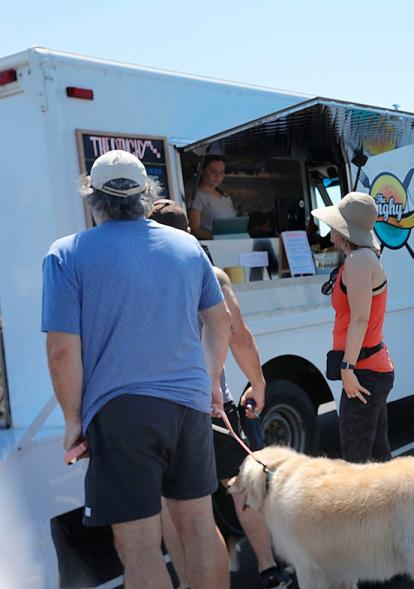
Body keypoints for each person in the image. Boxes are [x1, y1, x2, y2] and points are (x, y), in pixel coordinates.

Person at [42, 150, 232, 589]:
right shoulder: (187, 246)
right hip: (188, 409)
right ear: (146, 196)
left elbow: (62, 353)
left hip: (120, 413)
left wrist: (73, 421)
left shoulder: (67, 254)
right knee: (200, 527)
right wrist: (208, 382)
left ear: (94, 200)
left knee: (141, 546)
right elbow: (219, 323)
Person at [146, 200, 292, 589]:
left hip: (157, 409)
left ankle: (191, 581)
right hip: (210, 404)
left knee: (171, 504)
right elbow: (237, 335)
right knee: (239, 484)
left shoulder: (137, 278)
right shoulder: (209, 274)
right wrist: (258, 382)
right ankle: (268, 569)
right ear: (189, 235)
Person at [312, 192, 395, 462]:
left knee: (357, 461)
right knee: (376, 457)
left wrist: (347, 368)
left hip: (364, 369)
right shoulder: (361, 258)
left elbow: (360, 318)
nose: (330, 231)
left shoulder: (359, 260)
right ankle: (398, 504)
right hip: (370, 367)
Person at [190, 156, 237, 240]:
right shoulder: (197, 196)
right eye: (213, 171)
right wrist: (218, 238)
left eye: (221, 172)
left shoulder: (226, 197)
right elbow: (194, 229)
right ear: (203, 171)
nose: (217, 176)